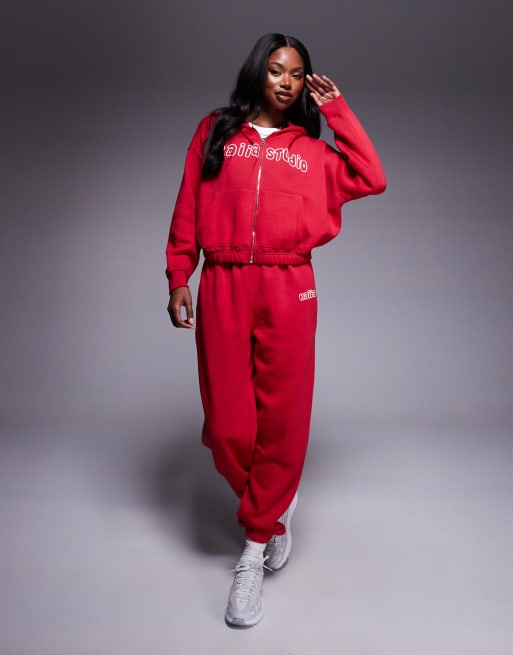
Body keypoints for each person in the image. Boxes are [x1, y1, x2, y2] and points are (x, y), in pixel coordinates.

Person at [165, 33, 386, 628]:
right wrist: (179, 274)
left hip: (290, 286)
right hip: (224, 282)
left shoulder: (312, 151)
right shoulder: (215, 132)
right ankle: (275, 502)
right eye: (276, 70)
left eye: (296, 74)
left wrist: (338, 111)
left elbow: (372, 176)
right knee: (227, 427)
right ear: (256, 73)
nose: (286, 82)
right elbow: (187, 203)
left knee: (283, 417)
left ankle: (256, 545)